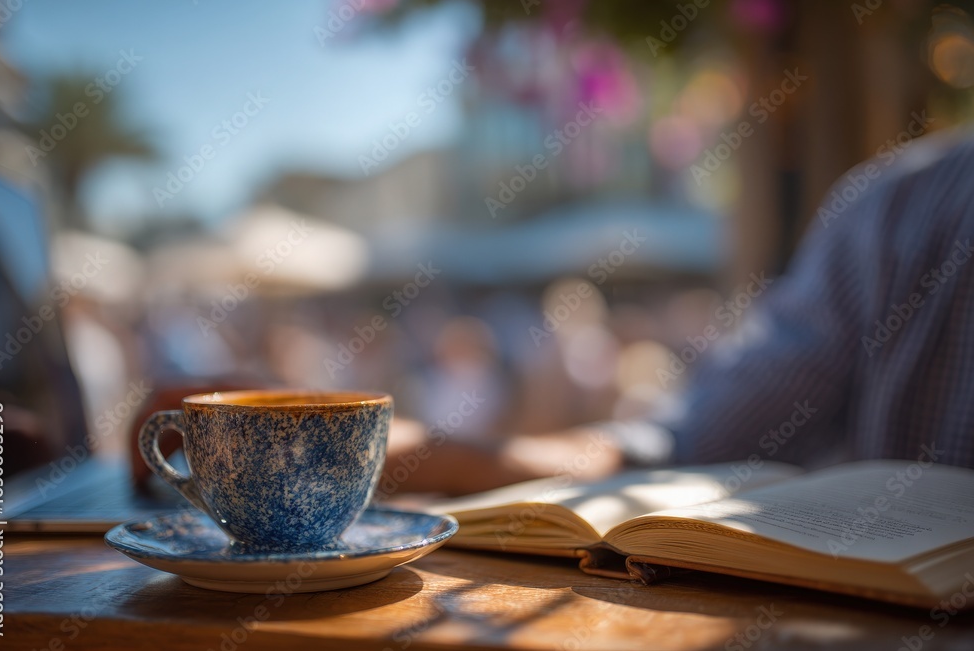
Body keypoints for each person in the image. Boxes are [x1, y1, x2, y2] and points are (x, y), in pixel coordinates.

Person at [383, 127, 974, 495]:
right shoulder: (898, 209)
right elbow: (698, 440)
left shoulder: (900, 205)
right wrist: (447, 459)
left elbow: (687, 440)